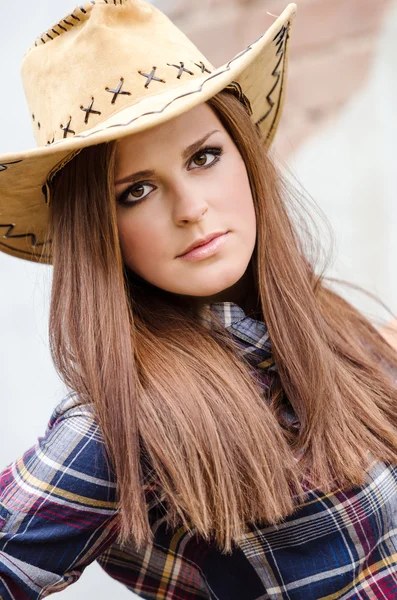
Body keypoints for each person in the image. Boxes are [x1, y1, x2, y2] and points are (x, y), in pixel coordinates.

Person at [1, 1, 397, 598]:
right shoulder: (120, 427)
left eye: (203, 157)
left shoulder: (330, 325)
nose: (190, 208)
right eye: (136, 191)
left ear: (243, 155)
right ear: (97, 230)